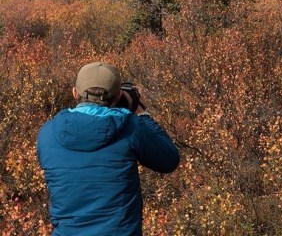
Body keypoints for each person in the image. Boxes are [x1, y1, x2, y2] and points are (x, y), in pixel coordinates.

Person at [37, 62, 180, 235]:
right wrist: (141, 113)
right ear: (118, 95)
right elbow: (169, 160)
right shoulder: (131, 127)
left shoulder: (47, 133)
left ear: (75, 93)